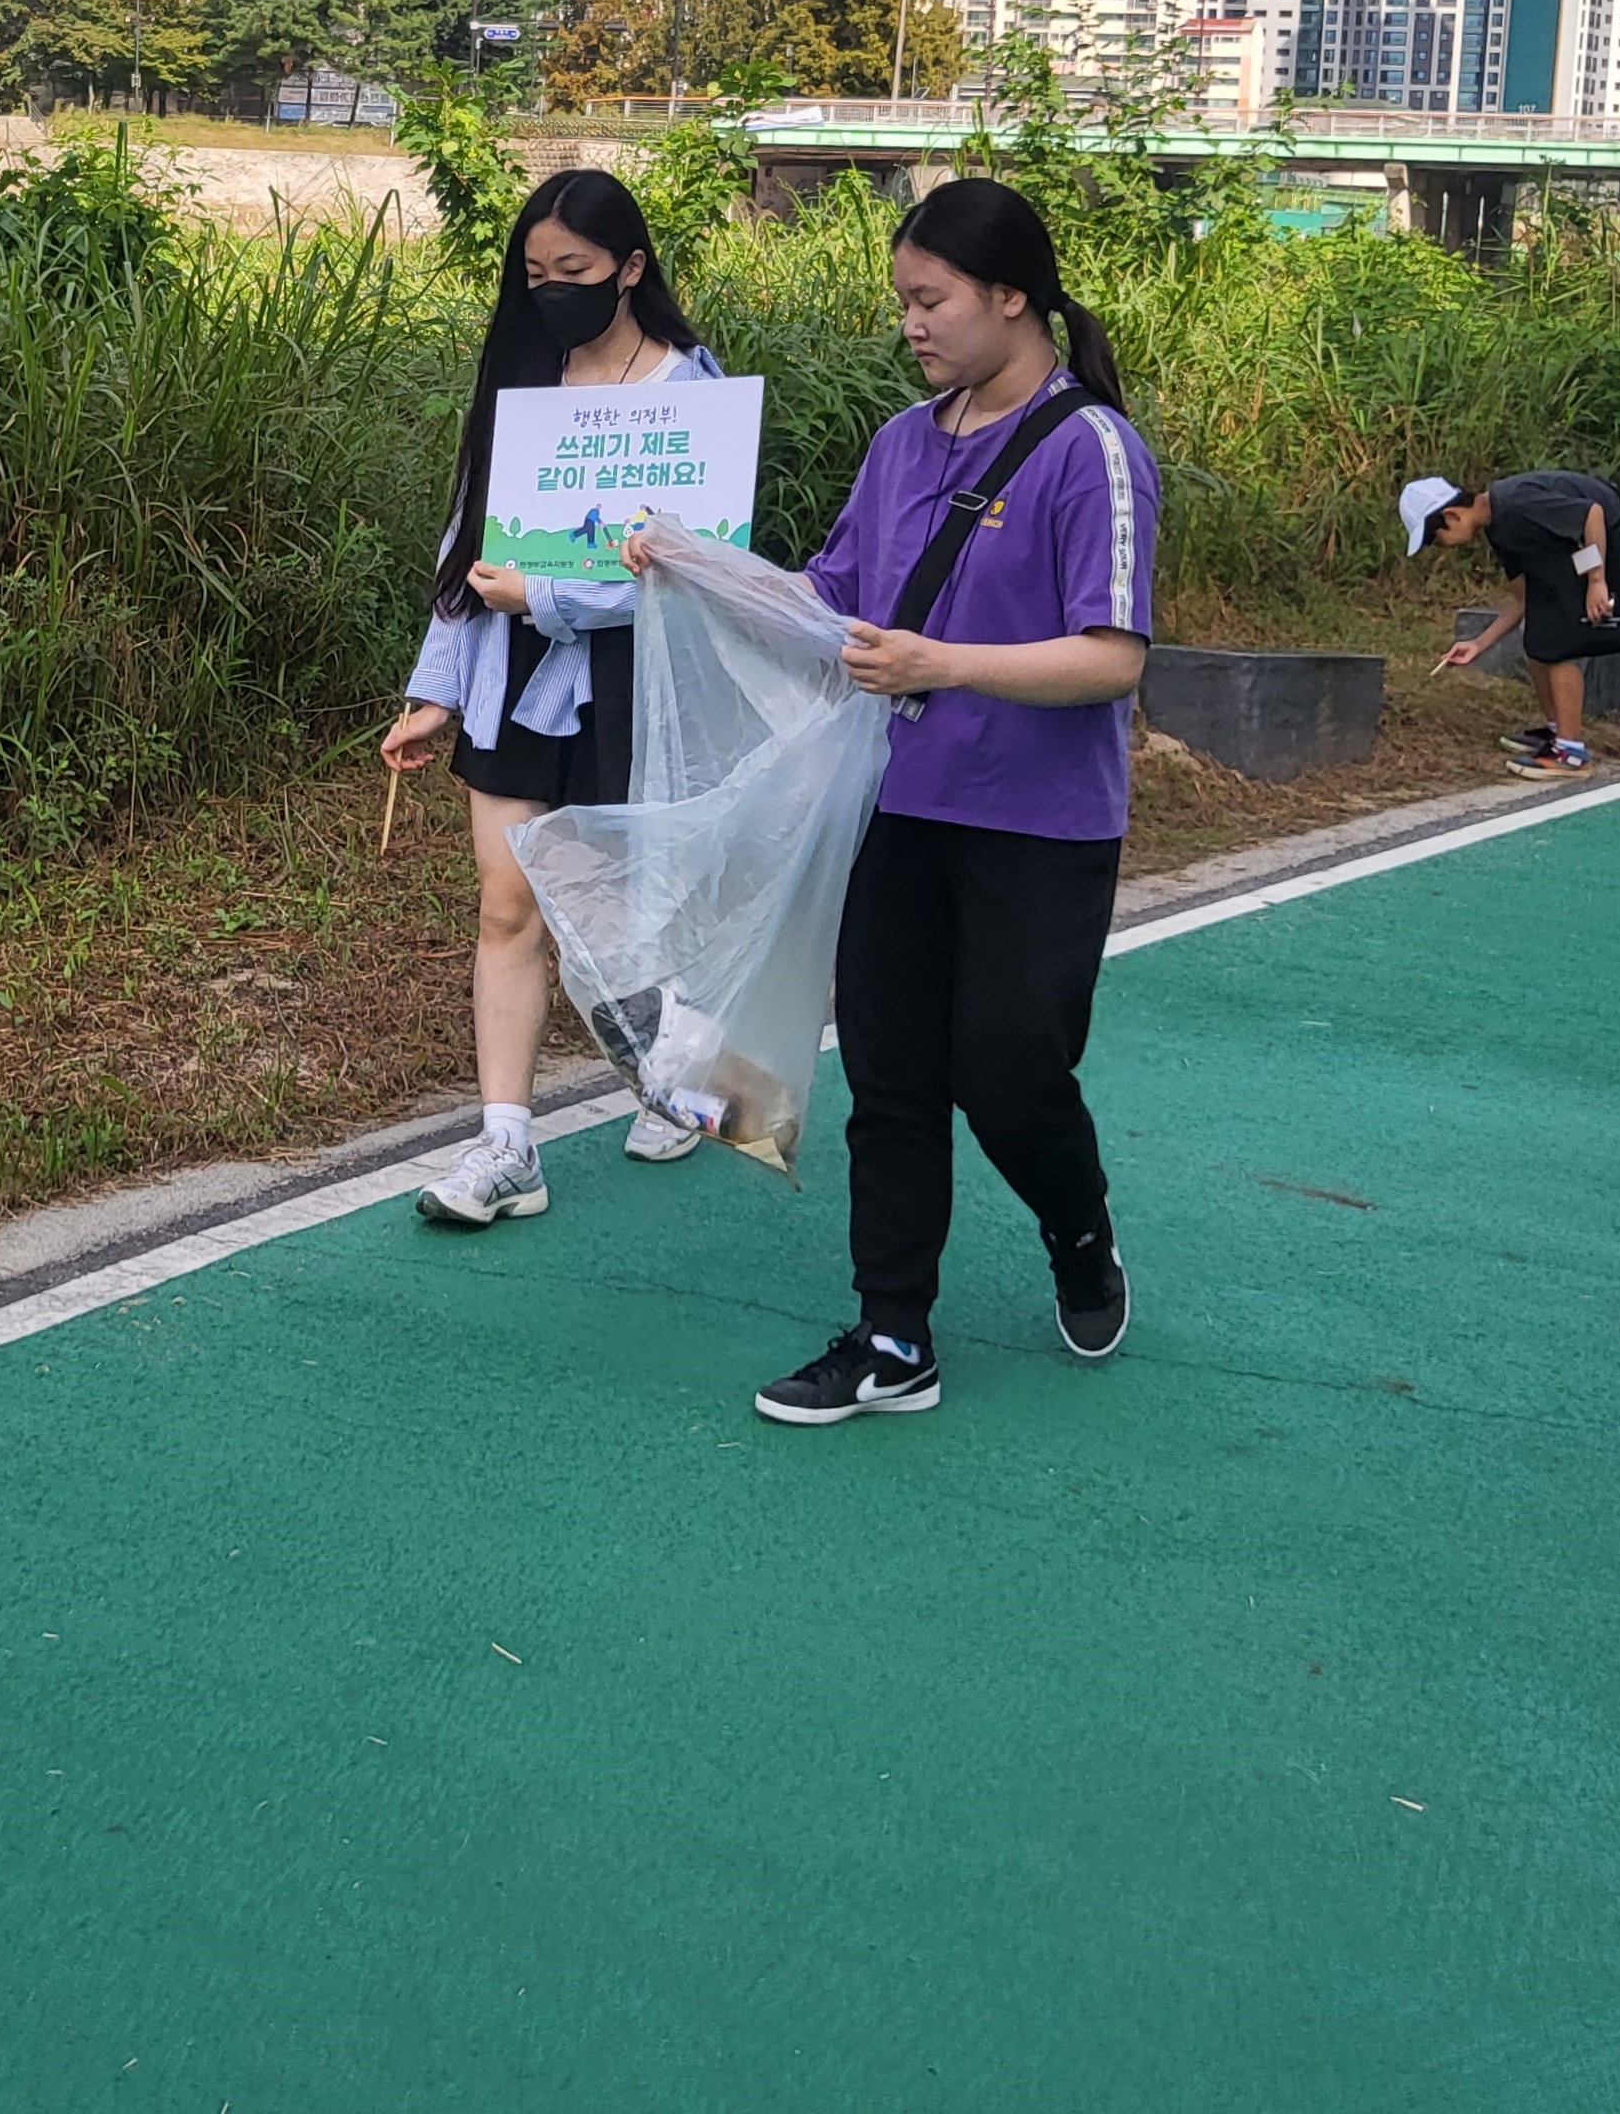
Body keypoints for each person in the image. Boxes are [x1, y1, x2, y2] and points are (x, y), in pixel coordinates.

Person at [697, 177, 1156, 1427]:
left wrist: (939, 663)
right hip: (893, 810)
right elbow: (830, 599)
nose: (912, 324)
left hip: (1039, 826)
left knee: (1009, 1070)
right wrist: (687, 562)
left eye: (931, 299)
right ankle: (892, 1333)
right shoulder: (902, 444)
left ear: (1013, 296)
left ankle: (1076, 1227)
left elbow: (1113, 657)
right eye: (903, 301)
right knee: (892, 1077)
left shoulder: (1091, 450)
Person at [382, 171, 727, 1227]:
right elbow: (466, 535)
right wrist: (433, 692)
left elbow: (699, 563)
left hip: (635, 681)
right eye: (534, 276)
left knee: (626, 907)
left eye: (572, 273)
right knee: (508, 902)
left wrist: (556, 595)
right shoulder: (523, 376)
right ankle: (505, 1146)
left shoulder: (692, 395)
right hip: (511, 675)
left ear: (630, 270)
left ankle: (677, 1061)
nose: (551, 293)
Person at [1405, 469, 1620, 779]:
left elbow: (1590, 514)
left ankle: (1571, 754)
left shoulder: (1515, 504)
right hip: (1579, 547)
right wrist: (1478, 644)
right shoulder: (1500, 530)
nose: (1442, 546)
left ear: (1451, 515)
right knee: (1537, 636)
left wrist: (1597, 580)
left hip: (1609, 536)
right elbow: (1522, 599)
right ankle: (1559, 733)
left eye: (1436, 538)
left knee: (1557, 642)